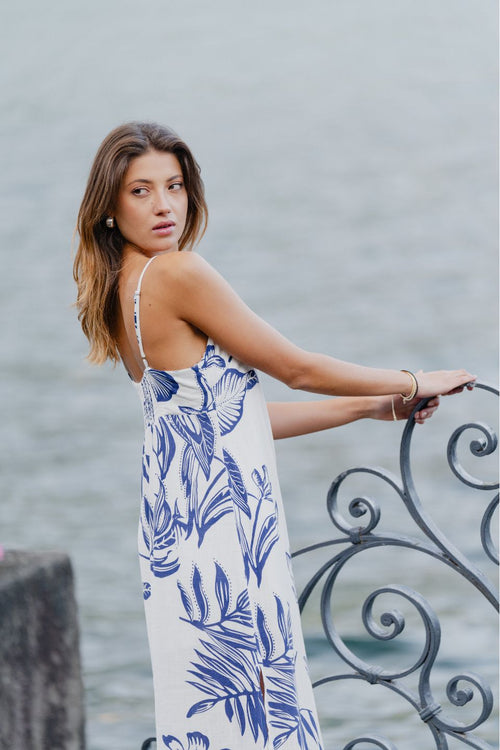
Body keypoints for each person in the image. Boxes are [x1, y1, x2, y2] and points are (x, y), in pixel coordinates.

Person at [74, 122, 475, 750]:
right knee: (260, 712)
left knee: (219, 716)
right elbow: (297, 368)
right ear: (110, 206)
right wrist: (415, 376)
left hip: (180, 531)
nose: (164, 206)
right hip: (226, 530)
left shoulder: (117, 293)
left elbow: (227, 420)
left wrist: (369, 406)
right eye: (141, 191)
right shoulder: (177, 274)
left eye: (175, 187)